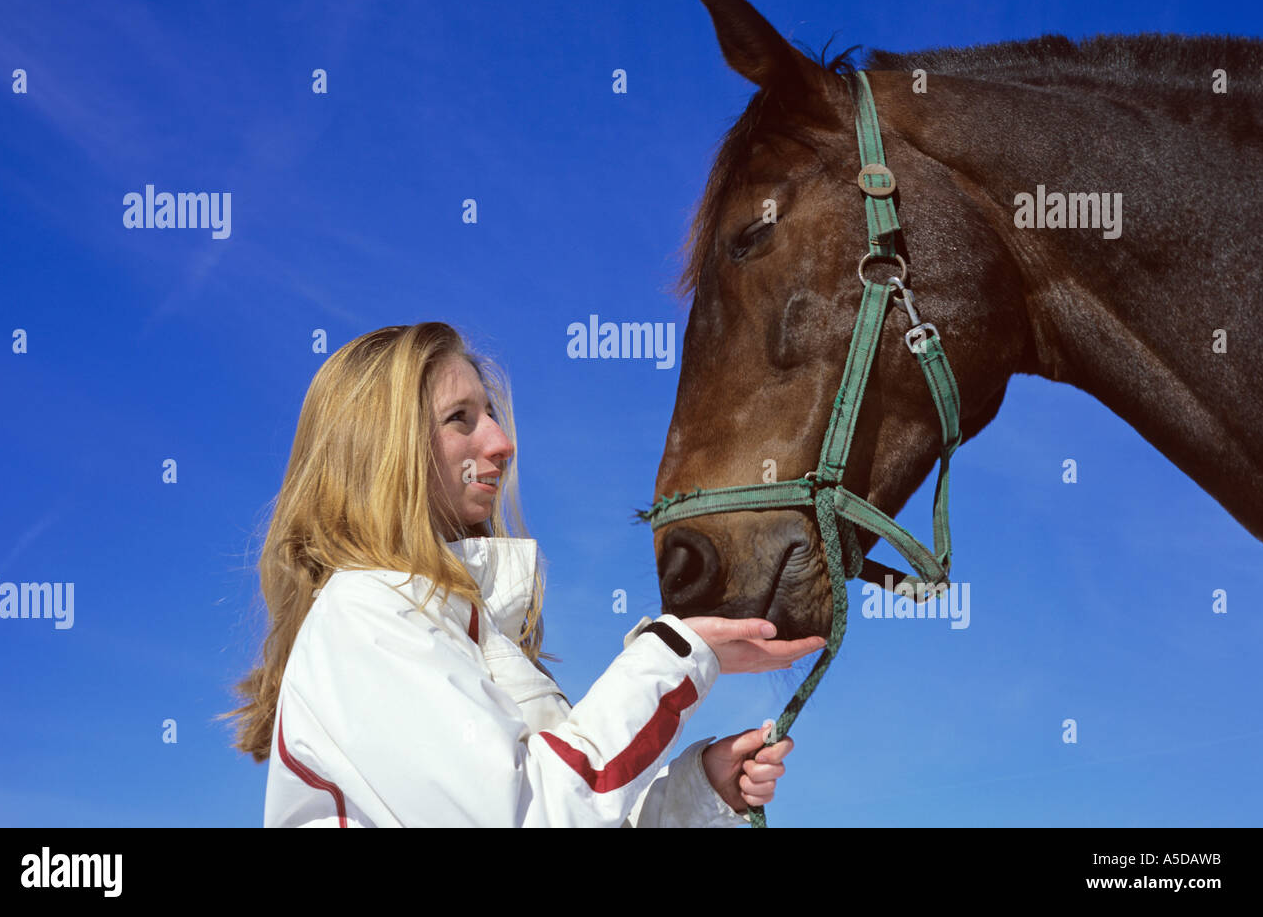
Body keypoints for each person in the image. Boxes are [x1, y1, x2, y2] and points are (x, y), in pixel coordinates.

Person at [222, 322, 825, 827]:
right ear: (380, 449)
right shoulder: (365, 616)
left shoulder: (461, 632)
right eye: (460, 418)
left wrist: (697, 792)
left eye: (490, 414)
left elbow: (558, 807)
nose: (502, 442)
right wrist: (673, 655)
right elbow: (524, 817)